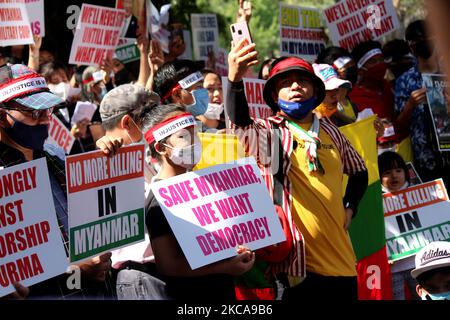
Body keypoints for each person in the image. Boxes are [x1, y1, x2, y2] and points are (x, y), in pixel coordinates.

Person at [226, 38, 369, 301]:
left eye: (302, 81)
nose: (295, 87)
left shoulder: (331, 131)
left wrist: (351, 207)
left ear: (315, 90)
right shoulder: (270, 133)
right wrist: (234, 81)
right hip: (297, 270)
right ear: (272, 96)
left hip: (344, 265)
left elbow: (360, 172)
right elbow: (241, 123)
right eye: (284, 83)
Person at [0, 63, 113, 299]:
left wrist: (105, 164)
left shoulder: (55, 157)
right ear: (2, 117)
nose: (44, 120)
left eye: (46, 111)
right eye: (34, 113)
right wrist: (73, 270)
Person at [142, 104, 255, 300]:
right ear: (161, 148)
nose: (194, 142)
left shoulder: (204, 185)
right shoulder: (158, 201)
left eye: (195, 134)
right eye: (184, 137)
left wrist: (235, 252)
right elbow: (168, 265)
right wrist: (226, 267)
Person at [95, 84, 170, 300]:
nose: (158, 122)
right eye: (150, 116)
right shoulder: (103, 166)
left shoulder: (148, 157)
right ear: (128, 122)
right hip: (141, 279)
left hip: (164, 272)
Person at [395, 20, 450, 186]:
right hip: (425, 162)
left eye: (428, 38)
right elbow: (399, 126)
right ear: (411, 46)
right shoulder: (404, 81)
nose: (424, 44)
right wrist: (410, 105)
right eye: (417, 41)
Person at [378, 151, 419, 300]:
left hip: (419, 264)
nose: (394, 176)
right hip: (392, 268)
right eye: (387, 172)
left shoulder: (421, 194)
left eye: (398, 170)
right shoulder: (375, 203)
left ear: (405, 172)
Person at [349, 40, 396, 123]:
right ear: (360, 70)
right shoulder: (353, 97)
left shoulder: (387, 86)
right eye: (373, 62)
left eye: (381, 59)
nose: (380, 64)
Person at [153, 59, 209, 127]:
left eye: (203, 86)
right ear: (177, 95)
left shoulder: (197, 125)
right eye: (199, 87)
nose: (205, 91)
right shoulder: (168, 133)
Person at [316, 46, 359, 122]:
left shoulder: (352, 104)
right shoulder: (318, 112)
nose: (351, 68)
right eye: (345, 66)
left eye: (352, 64)